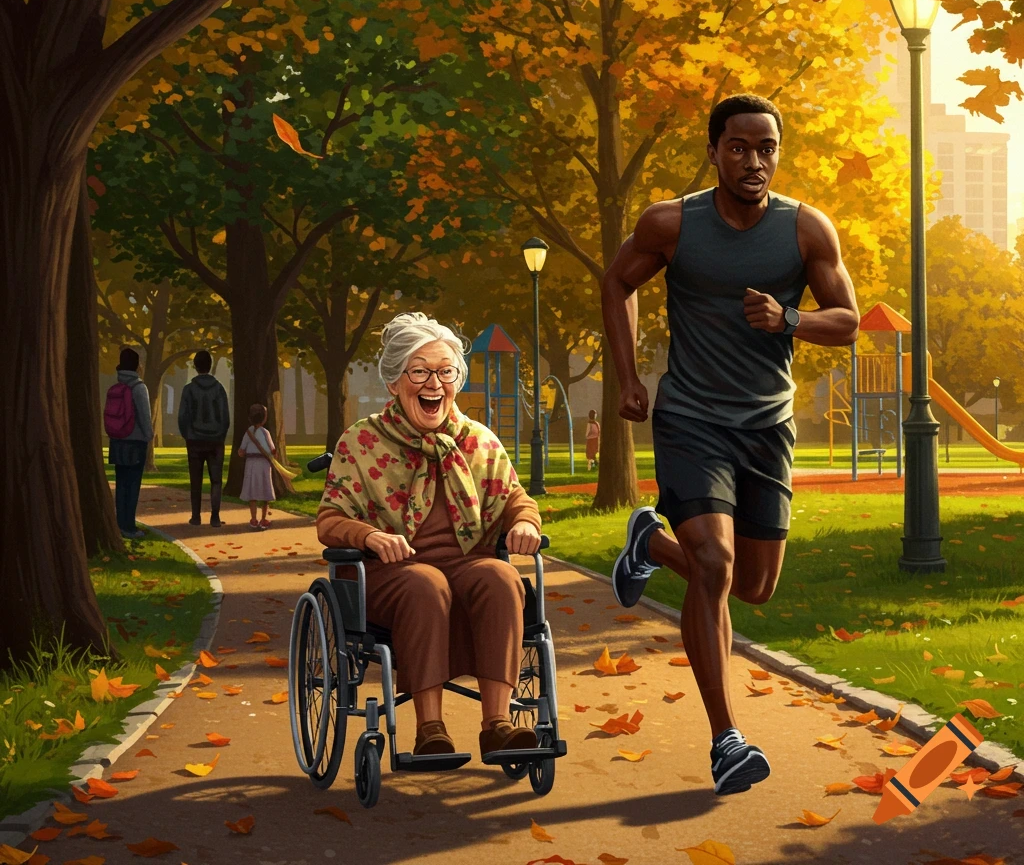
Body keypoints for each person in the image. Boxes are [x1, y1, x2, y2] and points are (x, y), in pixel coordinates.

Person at [601, 93, 859, 796]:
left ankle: (649, 547)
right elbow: (617, 281)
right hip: (690, 418)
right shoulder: (670, 223)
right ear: (714, 151)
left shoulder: (806, 230)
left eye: (766, 147)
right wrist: (627, 379)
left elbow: (848, 321)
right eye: (739, 147)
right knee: (714, 564)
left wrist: (789, 319)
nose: (754, 161)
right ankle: (726, 740)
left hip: (767, 427)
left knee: (752, 587)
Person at [315, 312, 544, 759]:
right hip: (389, 571)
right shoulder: (361, 442)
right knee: (426, 582)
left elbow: (517, 498)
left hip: (467, 563)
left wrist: (523, 523)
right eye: (419, 371)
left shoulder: (479, 441)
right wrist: (368, 536)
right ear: (395, 382)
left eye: (445, 371)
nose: (433, 383)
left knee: (501, 578)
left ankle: (497, 724)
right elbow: (330, 518)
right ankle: (430, 729)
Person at [177, 350, 230, 528]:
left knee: (195, 480)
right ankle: (215, 517)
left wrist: (188, 435)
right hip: (216, 441)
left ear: (195, 366)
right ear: (210, 365)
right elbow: (225, 417)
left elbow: (182, 417)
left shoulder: (188, 389)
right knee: (216, 480)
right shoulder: (219, 388)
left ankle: (196, 516)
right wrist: (220, 435)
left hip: (194, 440)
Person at [105, 347, 153, 539]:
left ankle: (120, 524)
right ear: (136, 365)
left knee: (121, 484)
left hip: (117, 441)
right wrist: (149, 436)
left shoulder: (116, 386)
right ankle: (129, 527)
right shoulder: (139, 388)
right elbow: (144, 417)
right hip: (135, 443)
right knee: (133, 486)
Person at [238, 404, 275, 530]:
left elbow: (241, 451)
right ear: (264, 418)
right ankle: (263, 519)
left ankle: (253, 519)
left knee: (252, 491)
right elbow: (272, 450)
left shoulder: (248, 432)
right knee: (265, 490)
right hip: (263, 464)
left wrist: (244, 452)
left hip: (250, 463)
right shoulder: (265, 432)